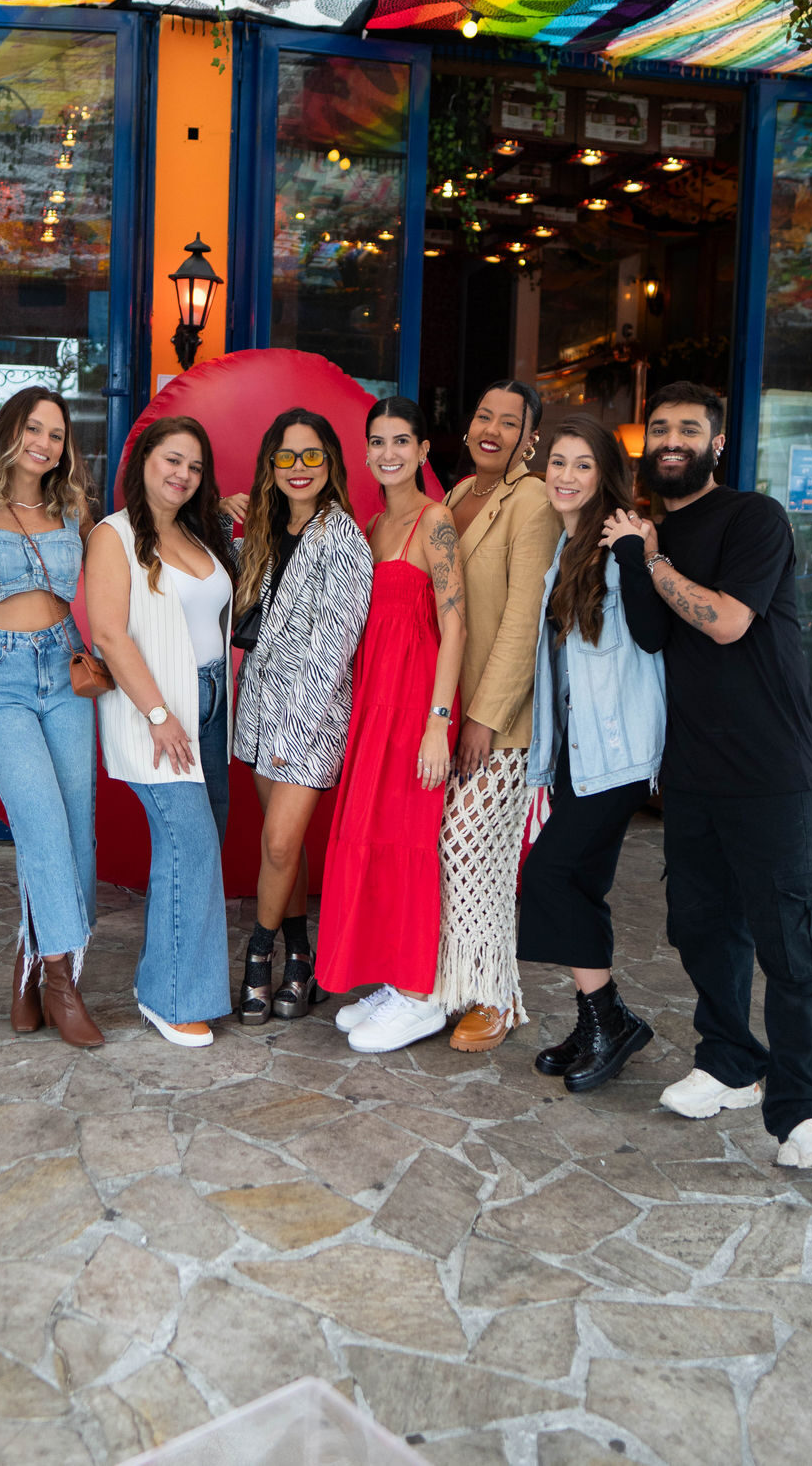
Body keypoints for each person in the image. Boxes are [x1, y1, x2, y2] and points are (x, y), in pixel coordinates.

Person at [615, 381, 812, 1168]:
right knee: (702, 926)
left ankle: (807, 1110)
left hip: (768, 765)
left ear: (716, 443)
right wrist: (637, 555)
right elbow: (652, 638)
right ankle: (729, 1063)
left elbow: (726, 622)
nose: (671, 439)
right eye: (660, 428)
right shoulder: (652, 535)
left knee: (791, 935)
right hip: (692, 769)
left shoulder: (755, 518)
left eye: (689, 428)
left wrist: (651, 559)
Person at [0, 386, 103, 1048]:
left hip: (65, 670)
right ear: (10, 430)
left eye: (56, 435)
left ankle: (29, 964)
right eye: (34, 428)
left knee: (77, 830)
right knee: (41, 825)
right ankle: (62, 981)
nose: (44, 443)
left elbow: (129, 557)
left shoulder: (74, 507)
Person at [517, 416, 666, 1091]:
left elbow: (655, 635)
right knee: (581, 884)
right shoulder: (566, 547)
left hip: (619, 748)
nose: (566, 475)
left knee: (549, 875)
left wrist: (635, 553)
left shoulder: (618, 544)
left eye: (582, 464)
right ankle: (597, 1022)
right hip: (579, 752)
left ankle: (610, 1018)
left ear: (605, 475)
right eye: (558, 462)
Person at [318, 397, 467, 1054]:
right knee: (371, 836)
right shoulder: (373, 524)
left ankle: (421, 995)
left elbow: (455, 625)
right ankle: (394, 977)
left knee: (408, 841)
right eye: (377, 442)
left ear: (423, 450)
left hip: (415, 706)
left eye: (401, 441)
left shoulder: (436, 521)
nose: (388, 453)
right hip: (373, 703)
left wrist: (438, 722)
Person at [86, 416, 235, 1048]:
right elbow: (109, 633)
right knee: (190, 845)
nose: (183, 474)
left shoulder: (200, 533)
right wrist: (157, 713)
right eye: (172, 460)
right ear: (144, 459)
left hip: (214, 706)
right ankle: (170, 997)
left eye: (195, 466)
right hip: (158, 712)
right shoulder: (113, 535)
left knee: (197, 849)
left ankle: (171, 980)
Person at [225, 410, 373, 1024]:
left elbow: (334, 648)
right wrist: (223, 517)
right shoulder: (266, 531)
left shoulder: (344, 539)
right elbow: (221, 582)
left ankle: (258, 958)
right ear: (271, 466)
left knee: (281, 842)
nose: (299, 468)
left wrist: (295, 729)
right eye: (285, 457)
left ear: (331, 463)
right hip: (259, 708)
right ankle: (301, 957)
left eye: (312, 456)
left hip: (308, 717)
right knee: (281, 848)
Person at [435, 380, 561, 1051]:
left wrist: (484, 717)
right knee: (451, 853)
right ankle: (458, 983)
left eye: (509, 423)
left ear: (529, 438)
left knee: (471, 851)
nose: (492, 429)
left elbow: (523, 620)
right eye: (484, 415)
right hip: (443, 709)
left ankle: (498, 997)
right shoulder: (457, 495)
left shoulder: (532, 500)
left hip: (499, 719)